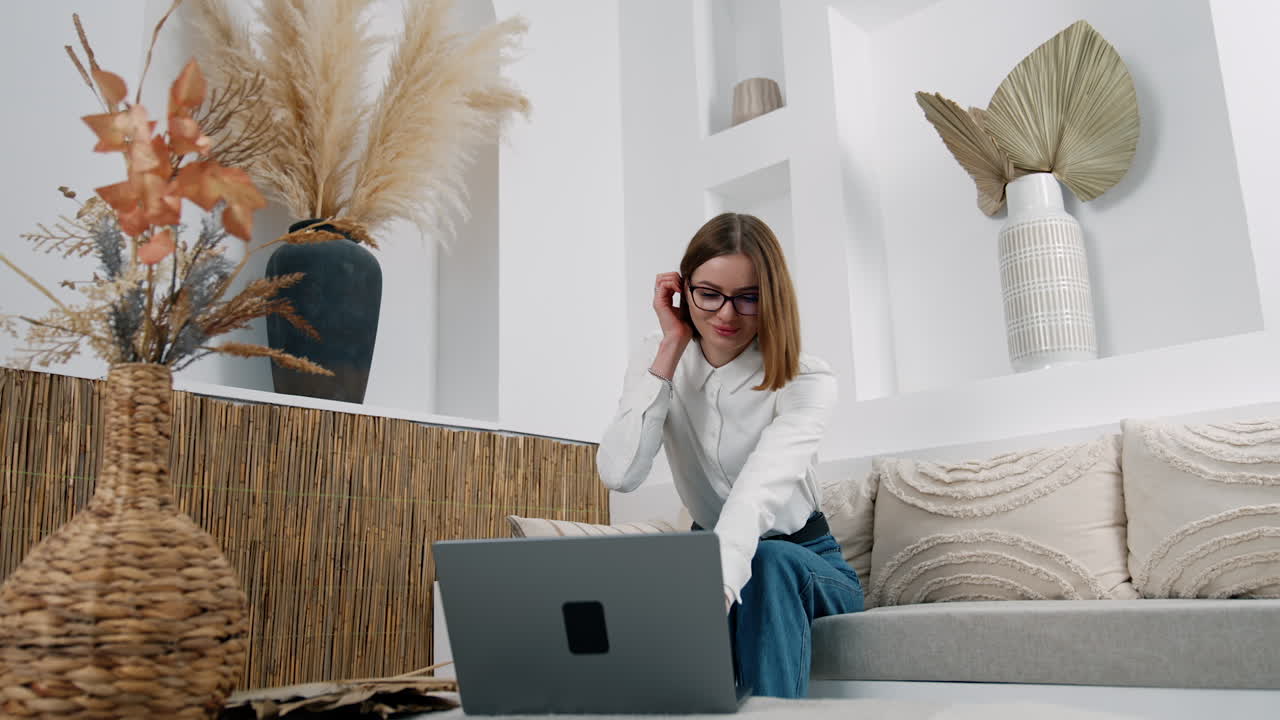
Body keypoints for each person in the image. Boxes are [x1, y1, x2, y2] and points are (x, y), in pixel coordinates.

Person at [596, 212, 864, 698]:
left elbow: (757, 491)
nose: (725, 314)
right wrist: (671, 349)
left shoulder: (806, 377)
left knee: (768, 562)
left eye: (748, 298)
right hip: (706, 551)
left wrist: (715, 587)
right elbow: (619, 473)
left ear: (772, 297)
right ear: (682, 289)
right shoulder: (658, 356)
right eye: (709, 294)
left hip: (805, 563)